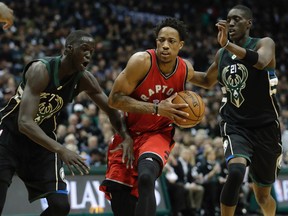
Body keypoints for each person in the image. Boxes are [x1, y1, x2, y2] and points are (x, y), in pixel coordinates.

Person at [0, 30, 133, 216]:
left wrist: (126, 136)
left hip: (41, 144)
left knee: (60, 206)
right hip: (9, 138)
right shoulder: (41, 70)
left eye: (92, 52)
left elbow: (111, 109)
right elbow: (24, 123)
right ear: (69, 49)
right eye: (84, 49)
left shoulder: (84, 79)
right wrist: (62, 149)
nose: (89, 55)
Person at [100, 17, 198, 216]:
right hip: (129, 133)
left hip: (158, 134)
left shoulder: (185, 68)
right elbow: (114, 100)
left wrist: (224, 53)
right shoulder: (141, 61)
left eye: (171, 41)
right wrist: (156, 108)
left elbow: (207, 79)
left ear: (180, 45)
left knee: (146, 177)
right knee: (121, 198)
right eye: (161, 40)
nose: (165, 45)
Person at [191, 5, 283, 216]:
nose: (231, 23)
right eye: (228, 19)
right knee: (236, 171)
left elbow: (260, 61)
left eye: (237, 19)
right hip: (235, 124)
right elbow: (206, 80)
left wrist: (229, 45)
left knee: (262, 196)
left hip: (266, 128)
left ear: (248, 23)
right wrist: (178, 70)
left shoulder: (264, 43)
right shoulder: (222, 53)